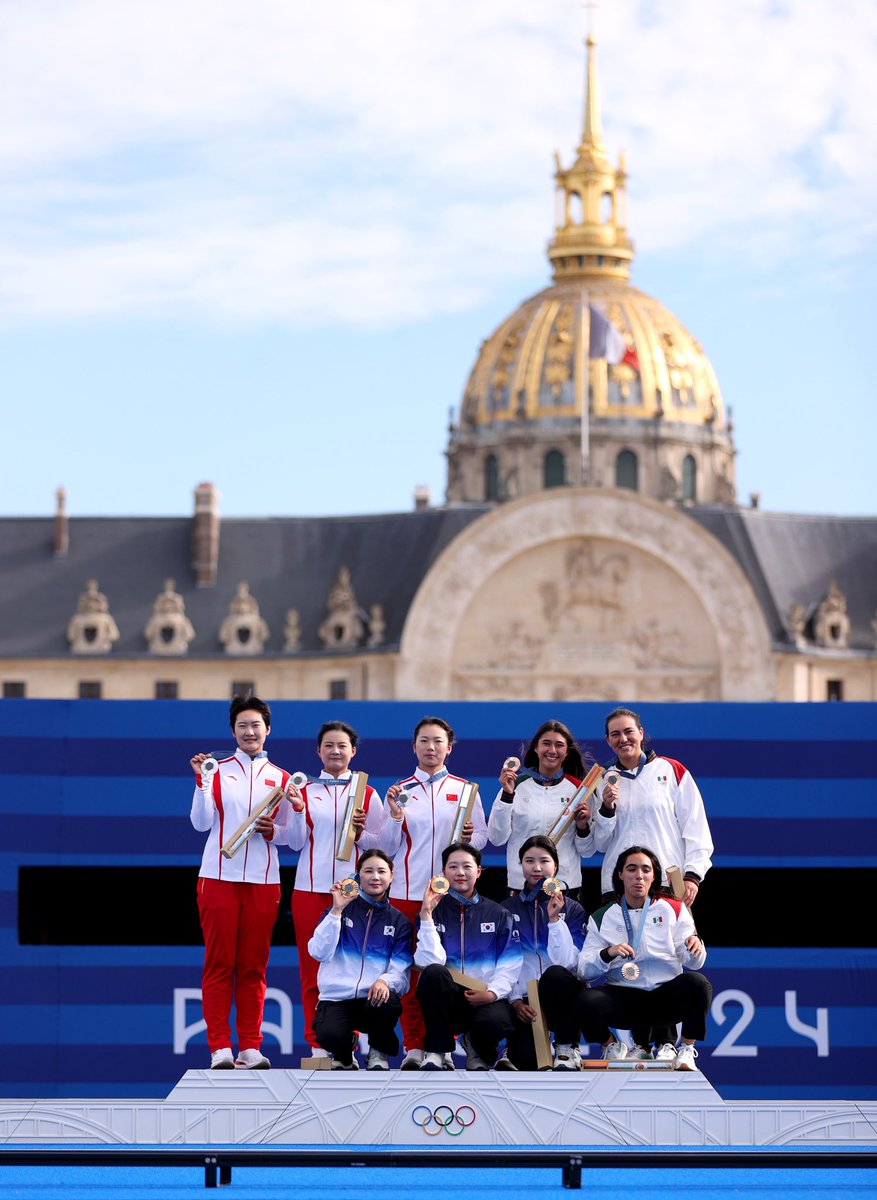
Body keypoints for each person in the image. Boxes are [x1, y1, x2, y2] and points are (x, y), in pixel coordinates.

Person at [189, 695, 302, 1070]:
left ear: (268, 729)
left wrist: (276, 829)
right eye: (242, 726)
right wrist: (202, 783)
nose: (249, 732)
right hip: (218, 877)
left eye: (256, 725)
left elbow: (293, 839)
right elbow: (201, 823)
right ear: (233, 731)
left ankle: (250, 1047)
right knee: (219, 963)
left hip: (263, 881)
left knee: (254, 966)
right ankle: (220, 1047)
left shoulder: (283, 779)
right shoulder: (216, 770)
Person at [381, 716, 489, 1068]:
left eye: (438, 741)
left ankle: (443, 1046)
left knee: (448, 973)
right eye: (424, 741)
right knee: (411, 973)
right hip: (407, 892)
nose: (431, 747)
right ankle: (414, 1045)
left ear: (449, 747)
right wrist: (395, 816)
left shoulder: (466, 790)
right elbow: (386, 845)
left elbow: (483, 838)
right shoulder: (398, 791)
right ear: (414, 747)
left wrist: (471, 838)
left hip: (452, 897)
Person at [277, 720, 384, 1057]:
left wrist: (362, 833)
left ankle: (349, 1041)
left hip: (355, 894)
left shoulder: (367, 792)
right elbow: (294, 842)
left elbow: (385, 845)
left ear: (353, 751)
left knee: (353, 970)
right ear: (318, 751)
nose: (335, 751)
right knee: (313, 970)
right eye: (329, 746)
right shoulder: (304, 790)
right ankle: (318, 1044)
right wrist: (297, 811)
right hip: (310, 891)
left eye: (342, 746)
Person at [573, 845, 712, 1070]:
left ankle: (686, 1049)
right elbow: (584, 971)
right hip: (625, 998)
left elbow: (695, 963)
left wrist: (695, 947)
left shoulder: (674, 908)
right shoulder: (602, 917)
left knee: (698, 984)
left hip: (665, 998)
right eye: (632, 869)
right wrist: (607, 954)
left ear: (654, 876)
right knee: (584, 1000)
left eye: (646, 869)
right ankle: (612, 1046)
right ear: (620, 874)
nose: (639, 875)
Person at [414, 841, 522, 1071]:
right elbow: (429, 962)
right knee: (433, 974)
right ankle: (438, 1051)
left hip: (484, 994)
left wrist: (492, 993)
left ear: (479, 871)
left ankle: (476, 1047)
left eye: (467, 866)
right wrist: (426, 914)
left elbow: (511, 963)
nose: (460, 872)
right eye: (453, 867)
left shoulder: (498, 913)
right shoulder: (433, 911)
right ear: (443, 872)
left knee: (498, 1022)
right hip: (449, 998)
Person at [592, 707, 713, 905]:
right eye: (615, 734)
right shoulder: (601, 780)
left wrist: (693, 875)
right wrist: (607, 808)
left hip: (666, 881)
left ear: (641, 732)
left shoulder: (672, 770)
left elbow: (696, 828)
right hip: (619, 885)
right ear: (608, 741)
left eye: (629, 731)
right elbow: (600, 844)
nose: (623, 739)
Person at [308, 849, 413, 1070]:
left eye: (381, 871)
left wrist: (384, 981)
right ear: (358, 875)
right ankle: (345, 1052)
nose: (375, 877)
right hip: (337, 999)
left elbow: (401, 975)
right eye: (368, 871)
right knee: (329, 1034)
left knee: (389, 1000)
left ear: (391, 877)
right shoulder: (341, 910)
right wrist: (337, 910)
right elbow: (318, 952)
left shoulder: (399, 921)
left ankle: (378, 1050)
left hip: (372, 1000)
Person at [499, 835, 588, 1070]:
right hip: (525, 999)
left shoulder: (573, 909)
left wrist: (555, 920)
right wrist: (515, 1000)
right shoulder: (506, 910)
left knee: (556, 974)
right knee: (526, 1062)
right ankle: (512, 1048)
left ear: (555, 866)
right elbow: (503, 962)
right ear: (520, 865)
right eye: (529, 861)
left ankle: (566, 1046)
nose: (537, 868)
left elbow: (569, 964)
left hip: (561, 992)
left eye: (544, 861)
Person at [489, 719, 595, 897]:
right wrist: (507, 796)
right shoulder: (515, 786)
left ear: (567, 752)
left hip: (564, 886)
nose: (552, 750)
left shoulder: (579, 790)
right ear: (536, 748)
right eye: (546, 743)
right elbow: (496, 838)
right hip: (521, 885)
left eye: (559, 745)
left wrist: (582, 827)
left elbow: (588, 851)